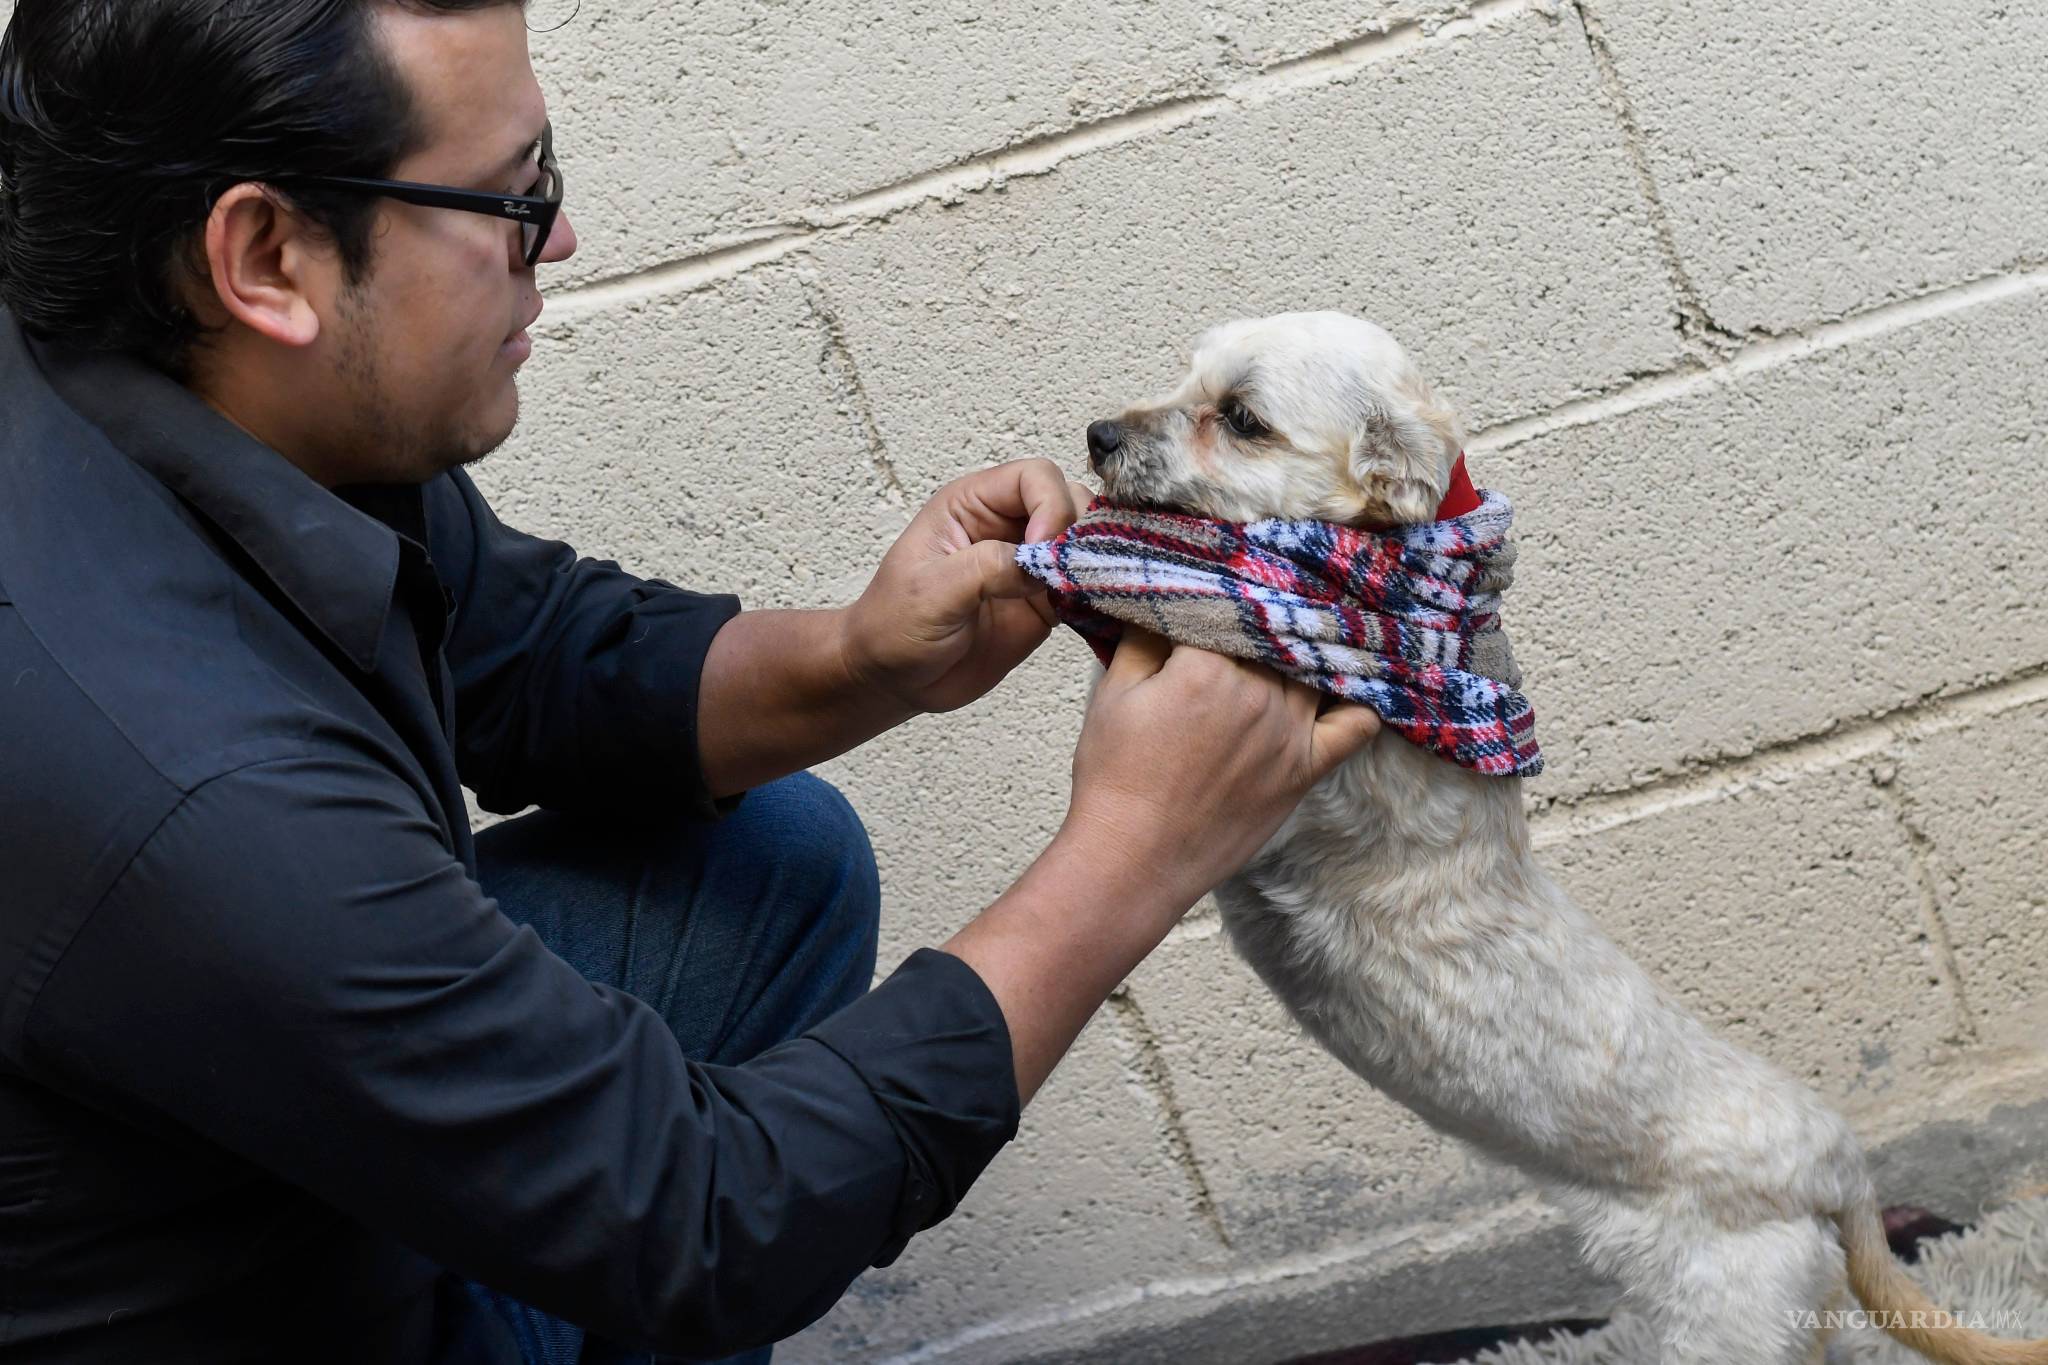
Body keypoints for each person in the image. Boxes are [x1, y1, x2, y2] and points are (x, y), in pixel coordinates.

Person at [0, 2, 1382, 1362]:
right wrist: (1137, 853)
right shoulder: (193, 782)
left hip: (265, 1142)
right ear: (265, 254)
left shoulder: (150, 332)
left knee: (775, 859)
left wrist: (859, 654)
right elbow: (711, 1222)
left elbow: (520, 645)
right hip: (242, 1307)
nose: (566, 238)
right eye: (511, 198)